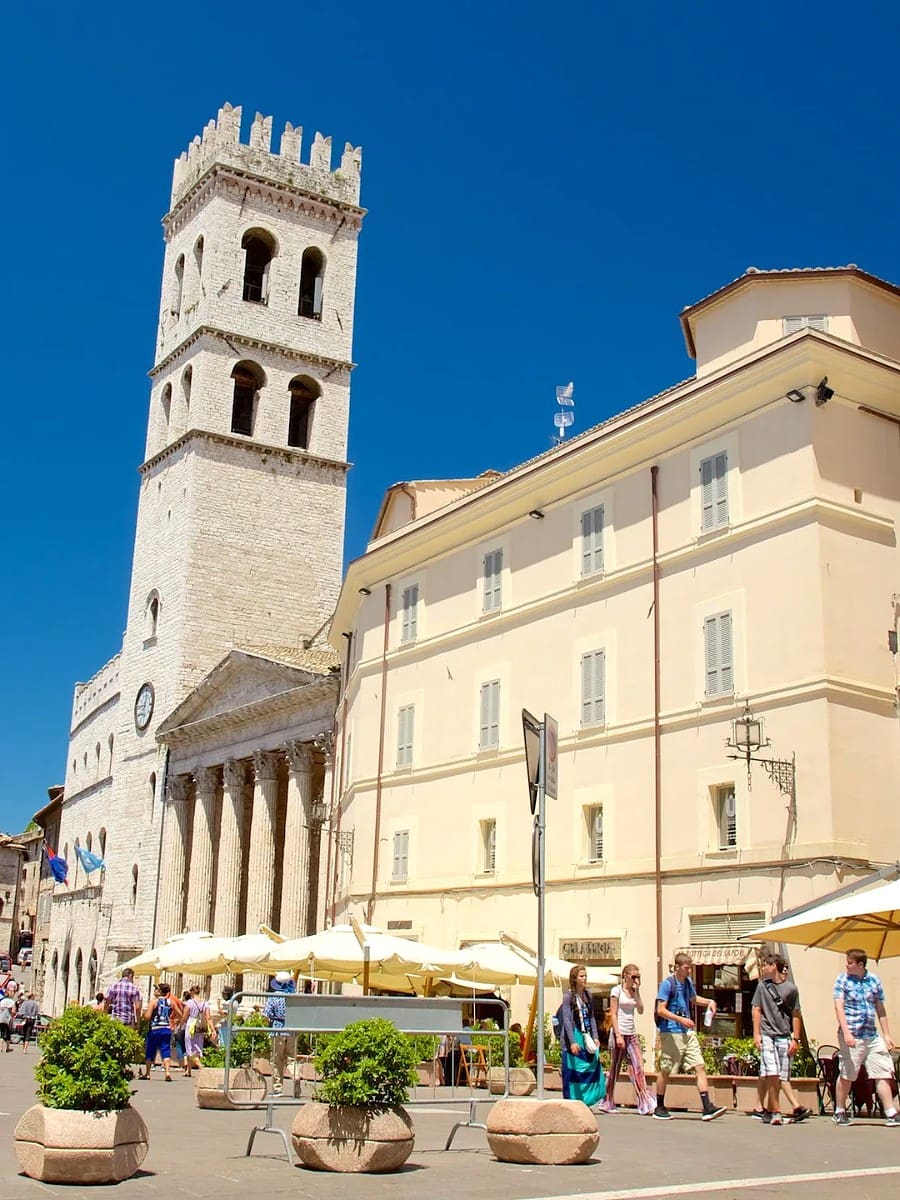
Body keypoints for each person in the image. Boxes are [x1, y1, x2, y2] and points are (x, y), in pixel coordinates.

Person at [653, 952, 725, 1121]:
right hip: (671, 1031)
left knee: (699, 1065)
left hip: (687, 1032)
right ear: (677, 967)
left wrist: (709, 1002)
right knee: (666, 1069)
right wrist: (681, 1019)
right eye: (686, 968)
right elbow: (660, 1010)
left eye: (690, 968)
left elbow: (693, 998)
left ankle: (707, 1107)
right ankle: (659, 1106)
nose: (689, 972)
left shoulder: (687, 983)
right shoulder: (667, 984)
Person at [832, 947, 899, 1127]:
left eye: (850, 963)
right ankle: (839, 1110)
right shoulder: (842, 980)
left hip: (872, 1034)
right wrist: (846, 1032)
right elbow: (839, 1007)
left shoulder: (874, 980)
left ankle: (890, 1111)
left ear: (860, 965)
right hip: (853, 1034)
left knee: (883, 1071)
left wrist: (886, 1034)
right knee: (848, 1073)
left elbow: (880, 1007)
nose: (847, 966)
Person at [750, 957, 810, 1124]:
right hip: (767, 1034)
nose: (762, 968)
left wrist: (795, 1039)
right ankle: (776, 1111)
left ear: (773, 966)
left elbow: (796, 1015)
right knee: (772, 1072)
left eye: (765, 965)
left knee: (782, 1076)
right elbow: (756, 1010)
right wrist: (757, 1034)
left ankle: (768, 1110)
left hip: (784, 1035)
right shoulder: (762, 986)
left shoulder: (791, 989)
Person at [598, 963, 655, 1115]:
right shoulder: (616, 991)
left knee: (638, 1067)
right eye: (633, 976)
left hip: (632, 1033)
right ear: (625, 976)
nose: (636, 979)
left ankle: (645, 1103)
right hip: (620, 1033)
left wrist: (637, 992)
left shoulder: (634, 991)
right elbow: (613, 1014)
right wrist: (617, 1035)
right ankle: (607, 1101)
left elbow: (641, 1010)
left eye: (638, 976)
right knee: (614, 1068)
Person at [560, 964, 606, 1107]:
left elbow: (592, 1017)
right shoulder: (568, 996)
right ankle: (572, 1102)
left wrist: (596, 1036)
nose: (584, 978)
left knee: (590, 1068)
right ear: (574, 978)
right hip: (574, 1036)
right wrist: (572, 1041)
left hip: (586, 1036)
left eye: (585, 975)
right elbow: (567, 1019)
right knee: (573, 1071)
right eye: (581, 976)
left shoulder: (588, 995)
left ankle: (586, 1101)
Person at [264, 971, 296, 1096]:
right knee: (291, 1058)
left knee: (277, 1059)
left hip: (277, 1028)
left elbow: (266, 1014)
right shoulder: (293, 996)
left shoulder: (274, 996)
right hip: (292, 1028)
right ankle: (296, 1075)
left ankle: (277, 1088)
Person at [142, 983, 180, 1082]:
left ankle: (148, 1073)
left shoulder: (154, 1002)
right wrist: (176, 1020)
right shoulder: (170, 1002)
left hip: (154, 1028)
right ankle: (167, 1072)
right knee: (165, 1050)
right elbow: (180, 1013)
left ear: (159, 992)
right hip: (166, 1028)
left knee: (150, 1050)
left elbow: (148, 1017)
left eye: (156, 989)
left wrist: (143, 1014)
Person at [183, 985, 213, 1077]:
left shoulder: (190, 1002)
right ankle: (188, 1070)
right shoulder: (205, 1003)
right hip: (200, 1026)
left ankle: (201, 1066)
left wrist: (180, 1023)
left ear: (192, 992)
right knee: (197, 1047)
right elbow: (208, 1017)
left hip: (191, 1025)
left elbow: (185, 1016)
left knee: (190, 1047)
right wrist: (212, 1029)